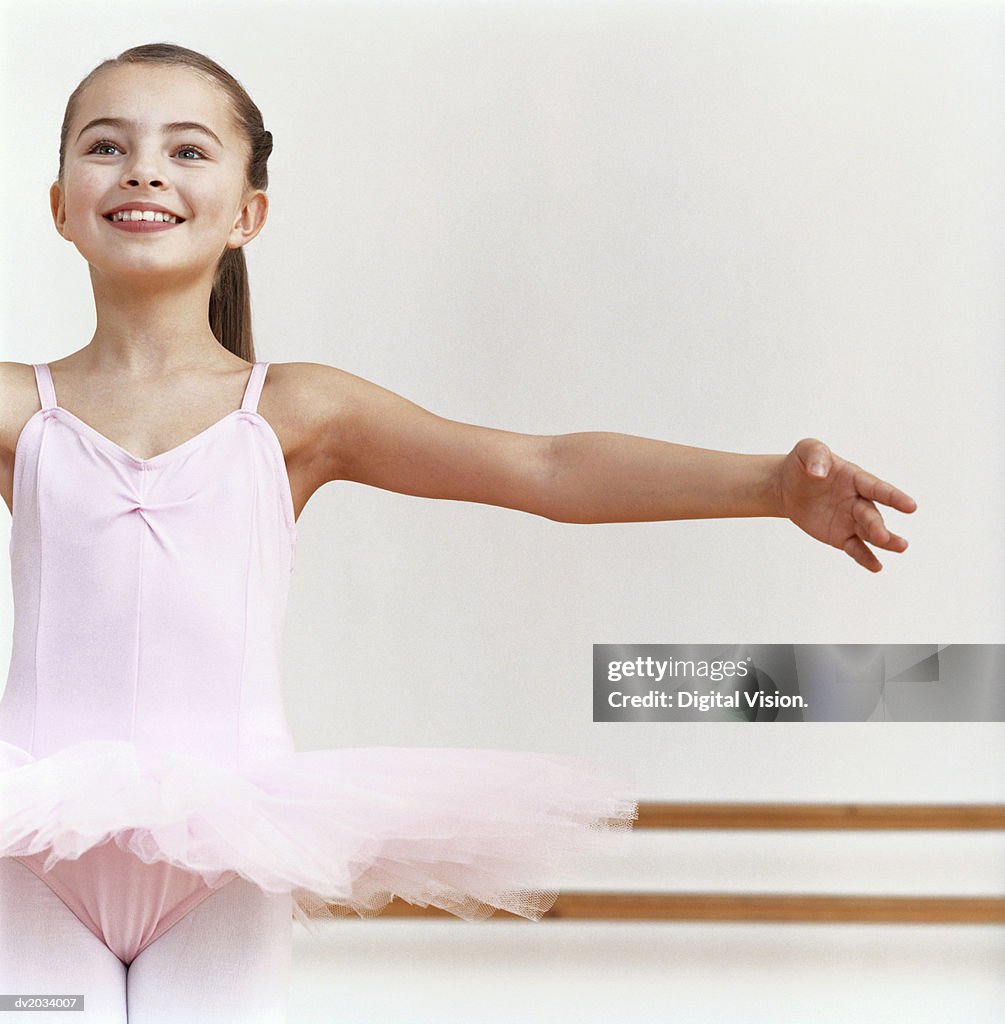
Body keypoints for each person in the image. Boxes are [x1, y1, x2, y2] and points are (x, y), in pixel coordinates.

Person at [0, 42, 916, 1023]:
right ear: (60, 203)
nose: (143, 170)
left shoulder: (295, 410)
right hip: (33, 852)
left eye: (187, 150)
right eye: (107, 145)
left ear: (246, 215)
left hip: (226, 857)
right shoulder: (20, 408)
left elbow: (545, 467)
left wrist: (770, 484)